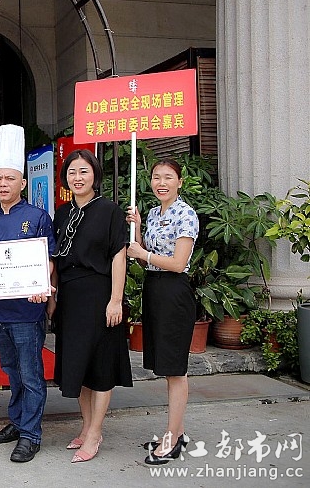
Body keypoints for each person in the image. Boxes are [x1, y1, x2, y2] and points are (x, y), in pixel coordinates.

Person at [0, 124, 56, 463]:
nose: (3, 184)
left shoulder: (37, 216)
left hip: (27, 311)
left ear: (22, 183)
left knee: (31, 374)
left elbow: (48, 259)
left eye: (9, 179)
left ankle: (31, 435)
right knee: (12, 371)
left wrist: (42, 286)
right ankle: (19, 423)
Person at [52, 149, 132, 464]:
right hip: (70, 298)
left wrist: (116, 299)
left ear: (95, 175)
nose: (78, 177)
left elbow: (118, 256)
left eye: (84, 171)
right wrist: (53, 297)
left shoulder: (111, 211)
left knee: (100, 367)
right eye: (72, 172)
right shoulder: (62, 213)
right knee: (79, 366)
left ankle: (96, 432)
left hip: (100, 295)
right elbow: (55, 259)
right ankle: (86, 426)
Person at [126, 159, 199, 465]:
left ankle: (171, 438)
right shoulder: (155, 213)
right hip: (154, 288)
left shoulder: (186, 214)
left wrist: (143, 253)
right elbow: (146, 258)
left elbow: (179, 263)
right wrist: (138, 229)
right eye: (156, 177)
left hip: (174, 291)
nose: (161, 183)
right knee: (167, 366)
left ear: (179, 182)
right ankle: (177, 434)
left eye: (168, 177)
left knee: (176, 369)